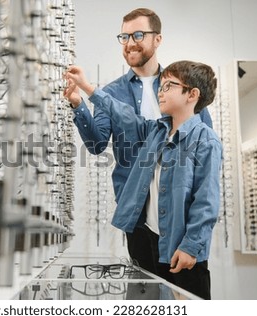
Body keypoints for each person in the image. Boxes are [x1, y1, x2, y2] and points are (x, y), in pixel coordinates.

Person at [68, 8, 213, 279]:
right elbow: (97, 144)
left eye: (138, 34)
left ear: (157, 39)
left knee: (184, 290)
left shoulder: (182, 88)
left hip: (179, 213)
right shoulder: (112, 92)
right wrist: (79, 104)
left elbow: (206, 161)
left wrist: (195, 236)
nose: (130, 42)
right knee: (144, 291)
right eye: (124, 36)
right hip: (135, 211)